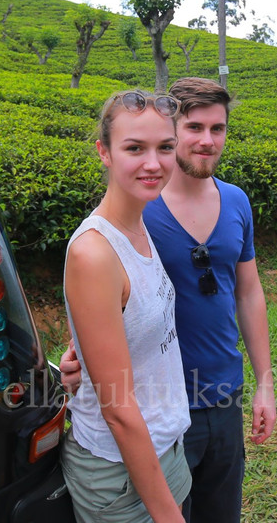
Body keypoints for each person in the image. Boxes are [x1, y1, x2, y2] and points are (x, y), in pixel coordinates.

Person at [63, 77, 276, 523]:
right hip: (146, 421)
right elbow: (98, 289)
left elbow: (247, 290)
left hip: (207, 402)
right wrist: (79, 353)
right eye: (194, 127)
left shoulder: (222, 205)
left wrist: (265, 381)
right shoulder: (138, 212)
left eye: (217, 128)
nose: (206, 140)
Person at [61, 89, 192, 523]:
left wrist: (81, 356)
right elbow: (117, 411)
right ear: (105, 152)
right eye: (135, 148)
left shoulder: (138, 222)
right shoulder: (95, 253)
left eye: (165, 147)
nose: (153, 163)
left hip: (163, 447)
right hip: (118, 471)